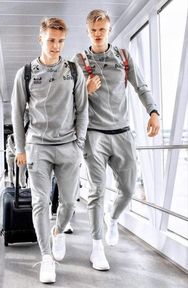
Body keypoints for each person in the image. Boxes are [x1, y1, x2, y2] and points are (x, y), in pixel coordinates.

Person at [72, 9, 160, 271]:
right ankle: (97, 247)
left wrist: (153, 112)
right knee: (96, 191)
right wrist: (85, 91)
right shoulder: (78, 61)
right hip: (94, 135)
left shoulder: (123, 57)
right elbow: (67, 103)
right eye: (93, 31)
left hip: (122, 132)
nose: (98, 35)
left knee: (129, 189)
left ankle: (113, 218)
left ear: (109, 30)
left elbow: (141, 87)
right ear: (87, 31)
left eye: (103, 30)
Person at [11, 17, 88, 283]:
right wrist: (21, 148)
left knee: (68, 202)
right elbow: (17, 112)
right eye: (51, 40)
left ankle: (57, 232)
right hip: (38, 148)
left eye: (60, 41)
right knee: (40, 202)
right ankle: (46, 258)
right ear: (40, 39)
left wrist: (79, 144)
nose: (56, 46)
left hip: (68, 147)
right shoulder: (26, 73)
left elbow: (83, 110)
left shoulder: (74, 71)